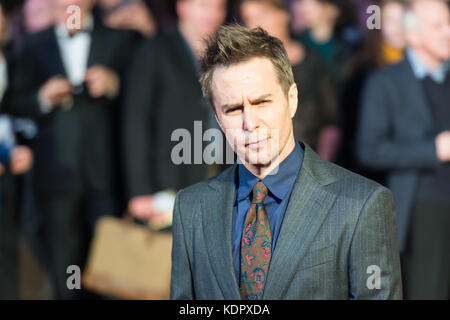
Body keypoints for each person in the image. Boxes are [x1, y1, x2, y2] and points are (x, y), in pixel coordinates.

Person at [170, 24, 402, 300]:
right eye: (233, 109)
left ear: (291, 99)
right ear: (218, 118)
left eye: (261, 102)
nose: (250, 123)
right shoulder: (191, 208)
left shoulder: (361, 205)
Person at [9, 0, 135, 299]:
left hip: (106, 174)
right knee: (66, 268)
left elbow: (144, 97)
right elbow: (13, 102)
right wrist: (42, 97)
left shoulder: (120, 39)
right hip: (55, 178)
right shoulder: (32, 45)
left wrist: (115, 83)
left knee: (110, 269)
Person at [357, 0, 450, 299]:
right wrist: (433, 150)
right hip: (422, 213)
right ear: (411, 35)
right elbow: (369, 149)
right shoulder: (384, 82)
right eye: (438, 26)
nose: (448, 32)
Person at [122, 0, 226, 222]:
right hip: (167, 180)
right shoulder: (154, 51)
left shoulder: (225, 55)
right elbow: (135, 121)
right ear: (183, 7)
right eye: (205, 6)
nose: (213, 14)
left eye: (219, 7)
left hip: (218, 176)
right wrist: (139, 189)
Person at [240, 0, 340, 162]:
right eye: (248, 18)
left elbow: (331, 120)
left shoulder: (313, 61)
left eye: (262, 14)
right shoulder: (245, 68)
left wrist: (319, 166)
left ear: (284, 14)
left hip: (310, 163)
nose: (255, 24)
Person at [340, 0, 406, 182]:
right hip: (373, 172)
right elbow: (352, 126)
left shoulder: (424, 65)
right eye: (391, 21)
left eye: (403, 20)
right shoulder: (366, 70)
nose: (398, 28)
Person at [0, 0, 34, 299]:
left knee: (8, 254)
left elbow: (15, 113)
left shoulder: (15, 59)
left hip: (10, 173)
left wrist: (20, 148)